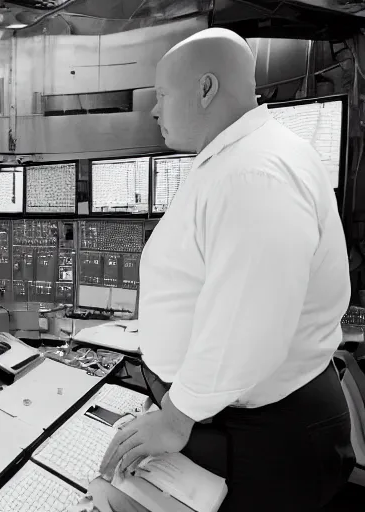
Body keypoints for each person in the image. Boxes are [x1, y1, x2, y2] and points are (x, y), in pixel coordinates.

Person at [96, 28, 355, 511]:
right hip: (230, 418)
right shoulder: (239, 159)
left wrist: (174, 418)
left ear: (206, 88)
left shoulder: (254, 174)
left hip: (261, 436)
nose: (154, 111)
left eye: (162, 96)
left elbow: (248, 326)